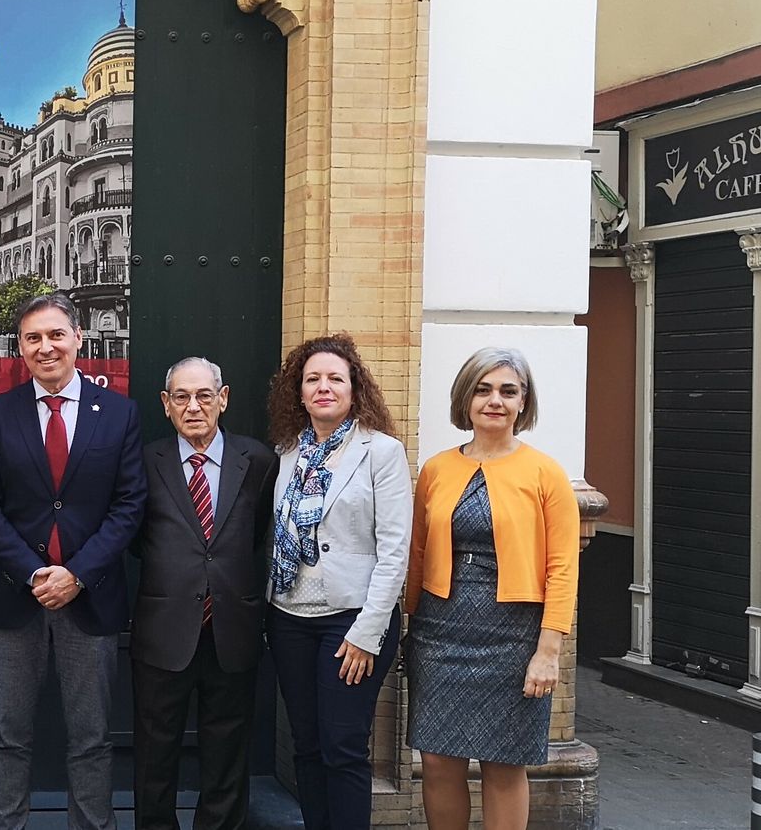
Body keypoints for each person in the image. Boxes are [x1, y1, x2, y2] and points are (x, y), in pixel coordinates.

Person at [0, 292, 146, 830]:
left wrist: (78, 575)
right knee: (7, 737)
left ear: (78, 339)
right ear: (20, 348)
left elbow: (129, 503)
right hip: (14, 597)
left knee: (91, 739)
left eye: (56, 335)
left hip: (89, 600)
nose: (46, 347)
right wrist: (34, 572)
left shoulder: (118, 412)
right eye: (33, 338)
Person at [405, 347, 580, 830]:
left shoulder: (546, 473)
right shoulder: (437, 469)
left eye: (508, 390)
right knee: (438, 760)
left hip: (514, 638)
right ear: (466, 398)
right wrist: (409, 627)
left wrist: (549, 651)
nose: (495, 400)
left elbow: (564, 568)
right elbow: (417, 555)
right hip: (439, 633)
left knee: (504, 763)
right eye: (483, 389)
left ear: (524, 402)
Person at [262, 333, 411, 830]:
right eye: (312, 380)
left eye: (335, 379)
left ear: (354, 389)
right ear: (298, 392)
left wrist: (368, 632)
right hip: (288, 618)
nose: (323, 387)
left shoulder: (381, 452)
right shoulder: (286, 452)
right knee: (306, 746)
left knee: (343, 748)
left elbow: (394, 551)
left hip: (351, 623)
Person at [131, 357, 277, 830]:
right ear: (166, 405)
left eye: (204, 396)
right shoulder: (144, 461)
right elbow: (134, 537)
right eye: (181, 397)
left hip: (230, 626)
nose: (193, 407)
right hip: (164, 629)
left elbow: (256, 534)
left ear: (224, 398)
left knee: (228, 751)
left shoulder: (257, 461)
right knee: (155, 751)